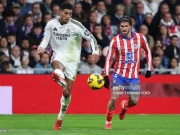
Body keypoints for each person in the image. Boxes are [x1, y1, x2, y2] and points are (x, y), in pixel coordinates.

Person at [36, 2, 99, 130]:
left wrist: (95, 51)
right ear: (60, 12)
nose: (68, 16)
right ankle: (58, 74)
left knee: (66, 93)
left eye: (70, 14)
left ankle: (60, 118)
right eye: (66, 13)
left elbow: (91, 38)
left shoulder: (76, 26)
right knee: (56, 64)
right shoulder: (51, 24)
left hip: (73, 61)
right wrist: (42, 47)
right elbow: (46, 38)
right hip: (58, 54)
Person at [103, 16, 152, 129]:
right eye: (122, 26)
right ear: (119, 27)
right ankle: (108, 121)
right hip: (118, 74)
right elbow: (109, 58)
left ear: (130, 26)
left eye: (126, 26)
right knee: (114, 98)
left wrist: (149, 68)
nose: (124, 28)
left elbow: (148, 51)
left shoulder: (140, 38)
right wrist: (105, 75)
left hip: (133, 76)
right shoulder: (115, 40)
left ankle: (125, 105)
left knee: (134, 101)